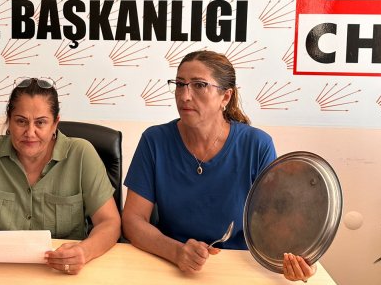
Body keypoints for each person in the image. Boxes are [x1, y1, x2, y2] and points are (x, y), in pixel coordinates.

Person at [122, 51, 316, 282]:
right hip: (170, 266)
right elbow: (132, 220)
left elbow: (276, 223)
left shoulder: (257, 145)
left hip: (238, 267)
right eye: (180, 84)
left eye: (199, 85)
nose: (184, 96)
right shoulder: (154, 140)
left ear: (225, 97)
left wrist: (298, 260)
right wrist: (175, 252)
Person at [0, 77, 121, 279]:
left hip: (62, 274)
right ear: (9, 120)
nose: (30, 132)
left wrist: (85, 251)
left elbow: (109, 222)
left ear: (55, 123)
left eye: (41, 122)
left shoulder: (81, 154)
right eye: (21, 121)